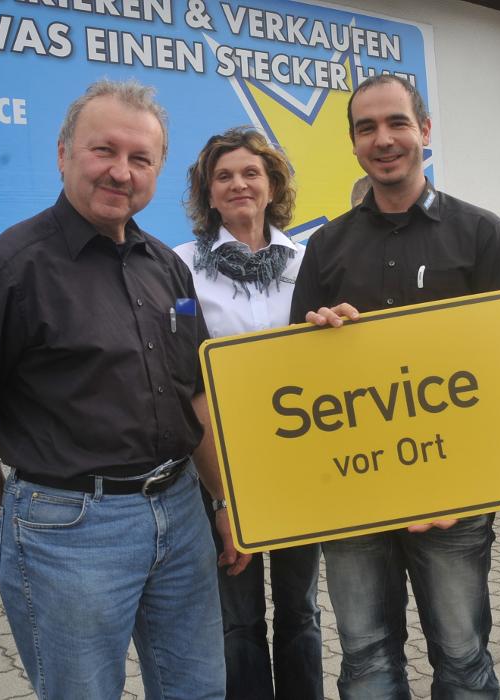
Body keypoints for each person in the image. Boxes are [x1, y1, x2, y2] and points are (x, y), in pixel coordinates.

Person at [0, 79, 228, 699]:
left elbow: (194, 395)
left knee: (197, 690)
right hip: (69, 532)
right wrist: (12, 520)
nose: (121, 172)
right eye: (103, 151)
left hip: (181, 511)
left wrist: (223, 503)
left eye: (140, 158)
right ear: (64, 154)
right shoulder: (6, 270)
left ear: (158, 169)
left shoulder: (164, 264)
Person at [289, 74, 500, 699]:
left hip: (455, 494)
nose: (383, 138)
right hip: (353, 495)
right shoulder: (326, 245)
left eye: (396, 123)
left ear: (423, 130)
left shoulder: (480, 234)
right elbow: (297, 371)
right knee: (365, 659)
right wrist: (318, 334)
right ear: (353, 143)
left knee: (464, 656)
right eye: (366, 128)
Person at [174, 127, 323, 700]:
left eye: (251, 173)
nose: (238, 184)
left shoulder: (306, 262)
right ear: (208, 193)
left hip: (296, 463)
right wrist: (220, 494)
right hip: (219, 465)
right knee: (236, 620)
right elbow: (182, 365)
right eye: (224, 176)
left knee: (301, 609)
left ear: (272, 185)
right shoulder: (179, 268)